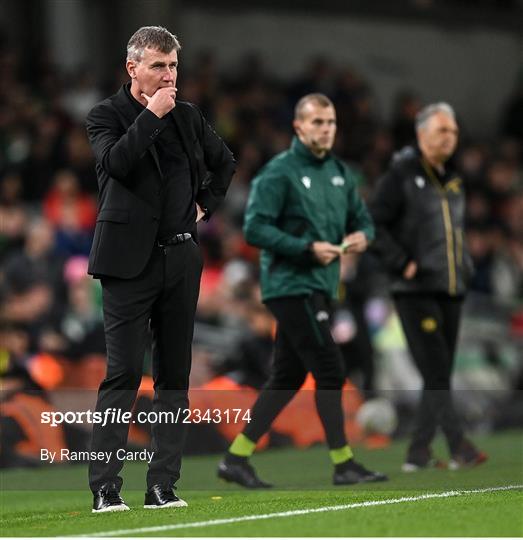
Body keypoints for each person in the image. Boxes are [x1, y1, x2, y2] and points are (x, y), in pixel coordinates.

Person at [85, 26, 235, 512]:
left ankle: (161, 486)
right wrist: (151, 116)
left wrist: (204, 208)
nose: (168, 75)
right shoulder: (105, 115)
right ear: (133, 68)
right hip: (128, 263)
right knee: (123, 374)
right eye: (157, 66)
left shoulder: (188, 116)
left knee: (174, 376)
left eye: (173, 66)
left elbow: (225, 162)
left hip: (181, 257)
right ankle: (106, 488)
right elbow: (116, 164)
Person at [217, 93, 388, 488]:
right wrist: (306, 248)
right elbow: (255, 228)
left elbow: (364, 220)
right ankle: (344, 463)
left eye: (330, 123)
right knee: (330, 368)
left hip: (322, 286)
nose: (325, 130)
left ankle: (235, 458)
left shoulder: (342, 174)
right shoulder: (278, 173)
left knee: (287, 377)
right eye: (317, 123)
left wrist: (364, 236)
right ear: (298, 127)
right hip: (290, 285)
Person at [370, 102, 487, 471]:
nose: (449, 138)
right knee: (436, 371)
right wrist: (402, 262)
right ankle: (458, 445)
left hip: (451, 288)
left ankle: (417, 452)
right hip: (415, 291)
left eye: (452, 131)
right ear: (421, 135)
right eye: (441, 131)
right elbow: (374, 224)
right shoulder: (401, 176)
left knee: (437, 374)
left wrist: (464, 266)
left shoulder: (451, 178)